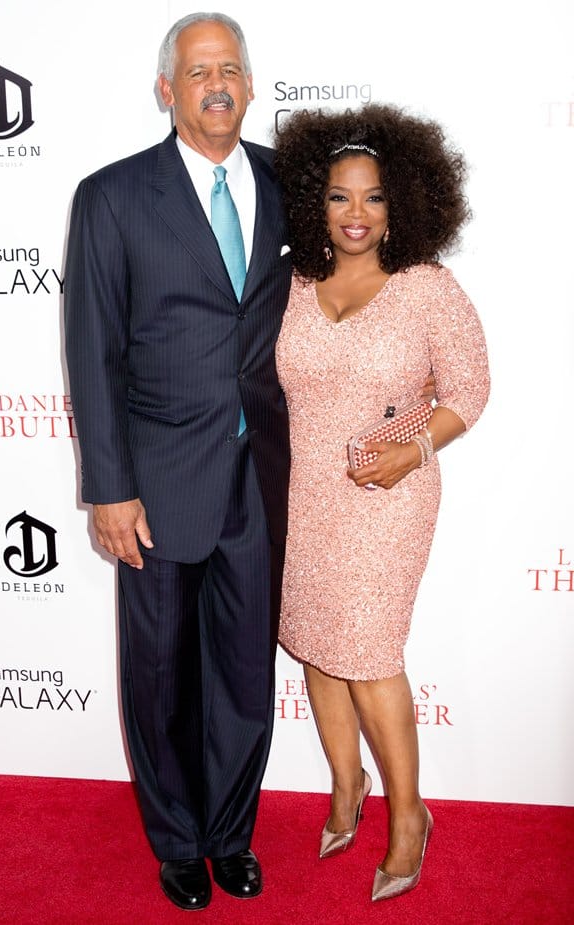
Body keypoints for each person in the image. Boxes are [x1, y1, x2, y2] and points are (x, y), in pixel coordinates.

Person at [64, 12, 292, 912]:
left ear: (249, 81)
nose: (216, 83)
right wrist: (108, 488)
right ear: (168, 90)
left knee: (242, 671)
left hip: (260, 483)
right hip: (155, 481)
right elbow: (93, 350)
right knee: (158, 673)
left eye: (230, 67)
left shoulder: (285, 182)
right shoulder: (112, 197)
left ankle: (231, 833)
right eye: (198, 70)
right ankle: (177, 841)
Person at [274, 104, 490, 902]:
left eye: (373, 197)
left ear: (402, 201)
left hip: (388, 501)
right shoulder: (293, 281)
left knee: (367, 653)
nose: (356, 214)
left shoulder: (427, 287)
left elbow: (470, 389)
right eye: (339, 196)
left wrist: (414, 446)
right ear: (314, 202)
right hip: (300, 495)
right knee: (315, 646)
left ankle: (409, 816)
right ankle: (344, 784)